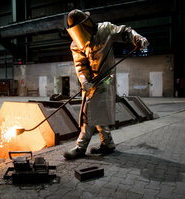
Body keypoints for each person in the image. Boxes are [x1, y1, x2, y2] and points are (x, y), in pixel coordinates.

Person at [63, 9, 149, 159]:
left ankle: (80, 147)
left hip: (106, 79)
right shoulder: (76, 44)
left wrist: (138, 39)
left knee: (89, 113)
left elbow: (124, 31)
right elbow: (80, 66)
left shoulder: (105, 30)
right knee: (97, 113)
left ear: (86, 25)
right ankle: (107, 144)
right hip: (90, 83)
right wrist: (84, 81)